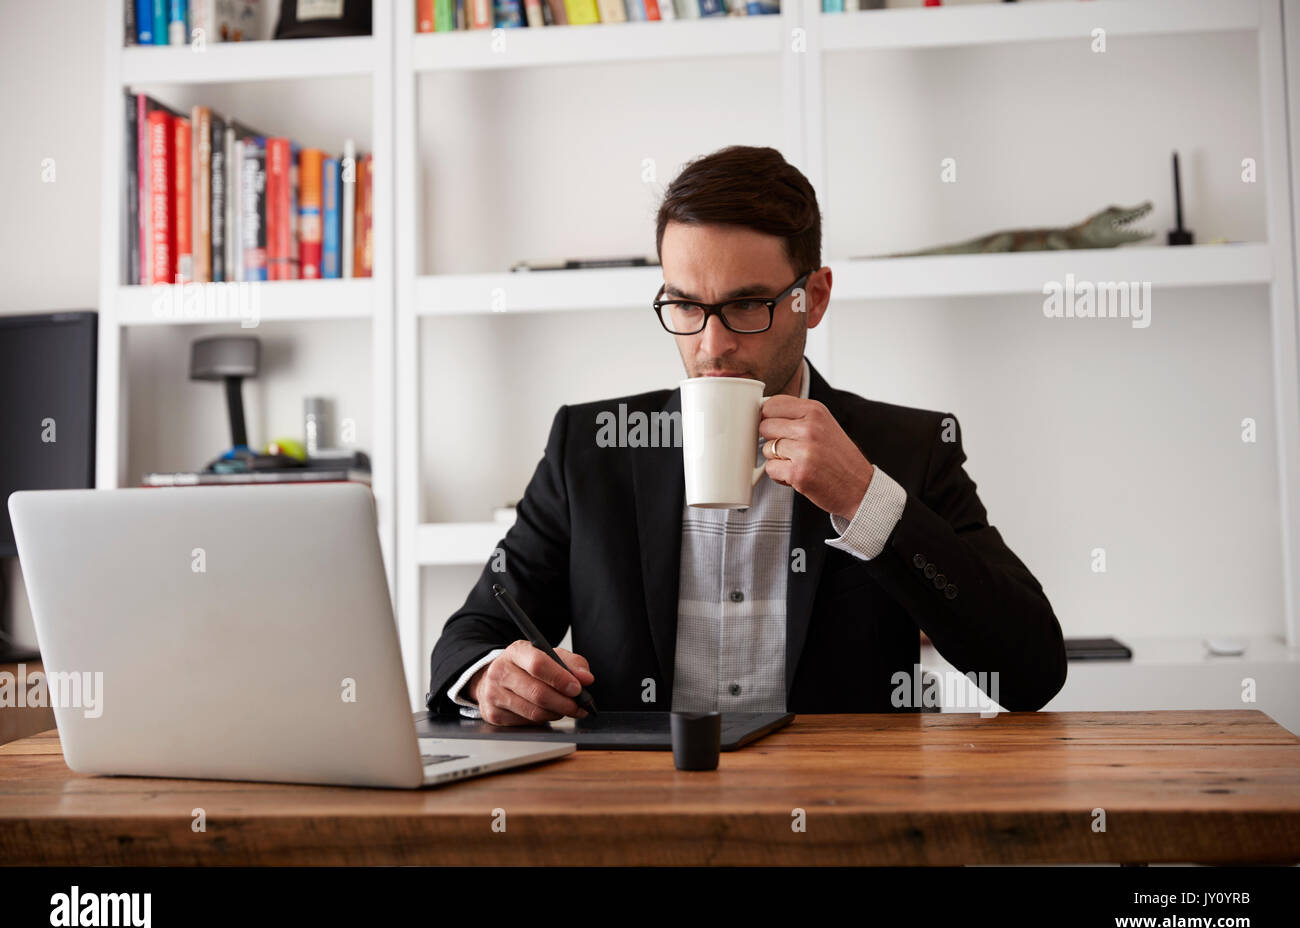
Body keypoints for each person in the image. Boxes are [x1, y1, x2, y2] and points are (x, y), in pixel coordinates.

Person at [426, 145, 1066, 726]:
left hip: (843, 821)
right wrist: (490, 677)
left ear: (812, 298)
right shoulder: (592, 446)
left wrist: (866, 501)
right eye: (684, 305)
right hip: (638, 820)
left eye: (745, 305)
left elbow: (1031, 671)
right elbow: (471, 632)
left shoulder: (906, 449)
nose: (712, 345)